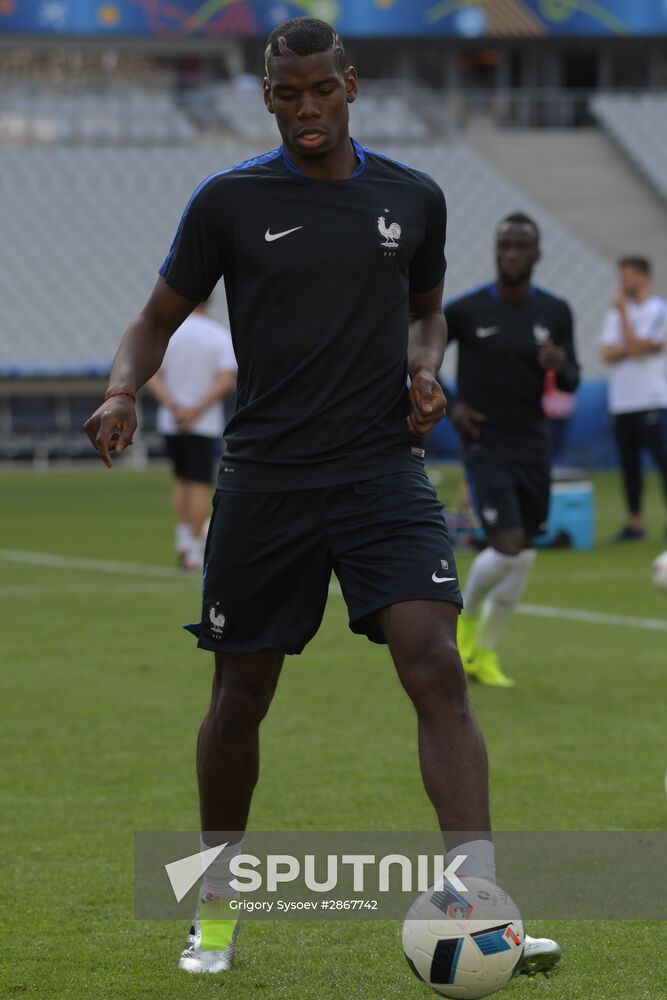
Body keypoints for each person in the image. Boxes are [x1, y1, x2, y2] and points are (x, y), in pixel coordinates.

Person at [84, 19, 559, 980]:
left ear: (353, 86)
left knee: (433, 662)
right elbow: (155, 318)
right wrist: (122, 388)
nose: (306, 110)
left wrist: (425, 370)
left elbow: (427, 311)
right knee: (240, 697)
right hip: (265, 482)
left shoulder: (411, 198)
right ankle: (214, 910)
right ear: (267, 97)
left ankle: (480, 905)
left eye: (321, 92)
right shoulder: (228, 202)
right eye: (287, 94)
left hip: (382, 473)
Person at [445, 212, 580, 687]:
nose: (512, 255)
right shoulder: (466, 310)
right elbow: (415, 349)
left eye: (521, 247)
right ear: (496, 251)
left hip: (532, 443)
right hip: (485, 443)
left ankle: (485, 653)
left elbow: (572, 379)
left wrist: (560, 364)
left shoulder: (556, 312)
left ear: (537, 255)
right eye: (505, 246)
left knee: (524, 554)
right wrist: (450, 404)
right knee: (503, 549)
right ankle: (461, 623)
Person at [146, 299, 236, 569]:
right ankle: (195, 549)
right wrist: (195, 409)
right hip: (202, 422)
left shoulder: (171, 332)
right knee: (199, 484)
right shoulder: (217, 334)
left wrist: (174, 406)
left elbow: (152, 374)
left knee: (182, 480)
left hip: (171, 420)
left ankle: (184, 539)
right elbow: (226, 379)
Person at [599, 257, 667, 542]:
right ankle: (635, 524)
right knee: (629, 466)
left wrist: (627, 336)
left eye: (627, 276)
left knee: (663, 462)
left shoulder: (658, 309)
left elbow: (643, 346)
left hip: (651, 399)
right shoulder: (614, 314)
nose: (622, 283)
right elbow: (606, 353)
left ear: (643, 276)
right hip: (622, 401)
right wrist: (631, 345)